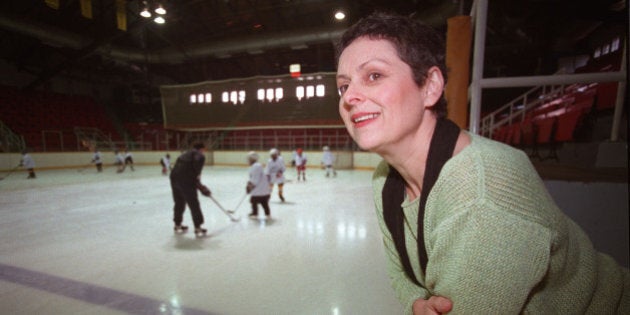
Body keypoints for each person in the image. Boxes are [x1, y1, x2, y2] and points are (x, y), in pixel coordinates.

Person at [336, 12, 629, 315]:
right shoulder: (385, 180)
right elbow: (401, 272)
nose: (350, 97)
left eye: (374, 75)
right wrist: (416, 302)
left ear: (430, 86)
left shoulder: (482, 191)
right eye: (343, 86)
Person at [169, 142, 211, 236]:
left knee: (179, 202)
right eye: (204, 150)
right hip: (185, 181)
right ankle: (198, 227)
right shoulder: (200, 155)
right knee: (194, 203)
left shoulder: (184, 154)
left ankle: (177, 224)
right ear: (202, 149)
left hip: (174, 178)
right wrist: (200, 185)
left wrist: (198, 185)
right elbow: (196, 172)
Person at [246, 151, 272, 220]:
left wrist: (249, 187)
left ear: (252, 159)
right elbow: (253, 178)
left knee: (254, 201)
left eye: (249, 159)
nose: (248, 160)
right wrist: (249, 183)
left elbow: (255, 180)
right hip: (263, 189)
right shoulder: (256, 165)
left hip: (259, 190)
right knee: (264, 202)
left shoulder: (255, 166)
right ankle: (267, 214)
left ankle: (255, 213)